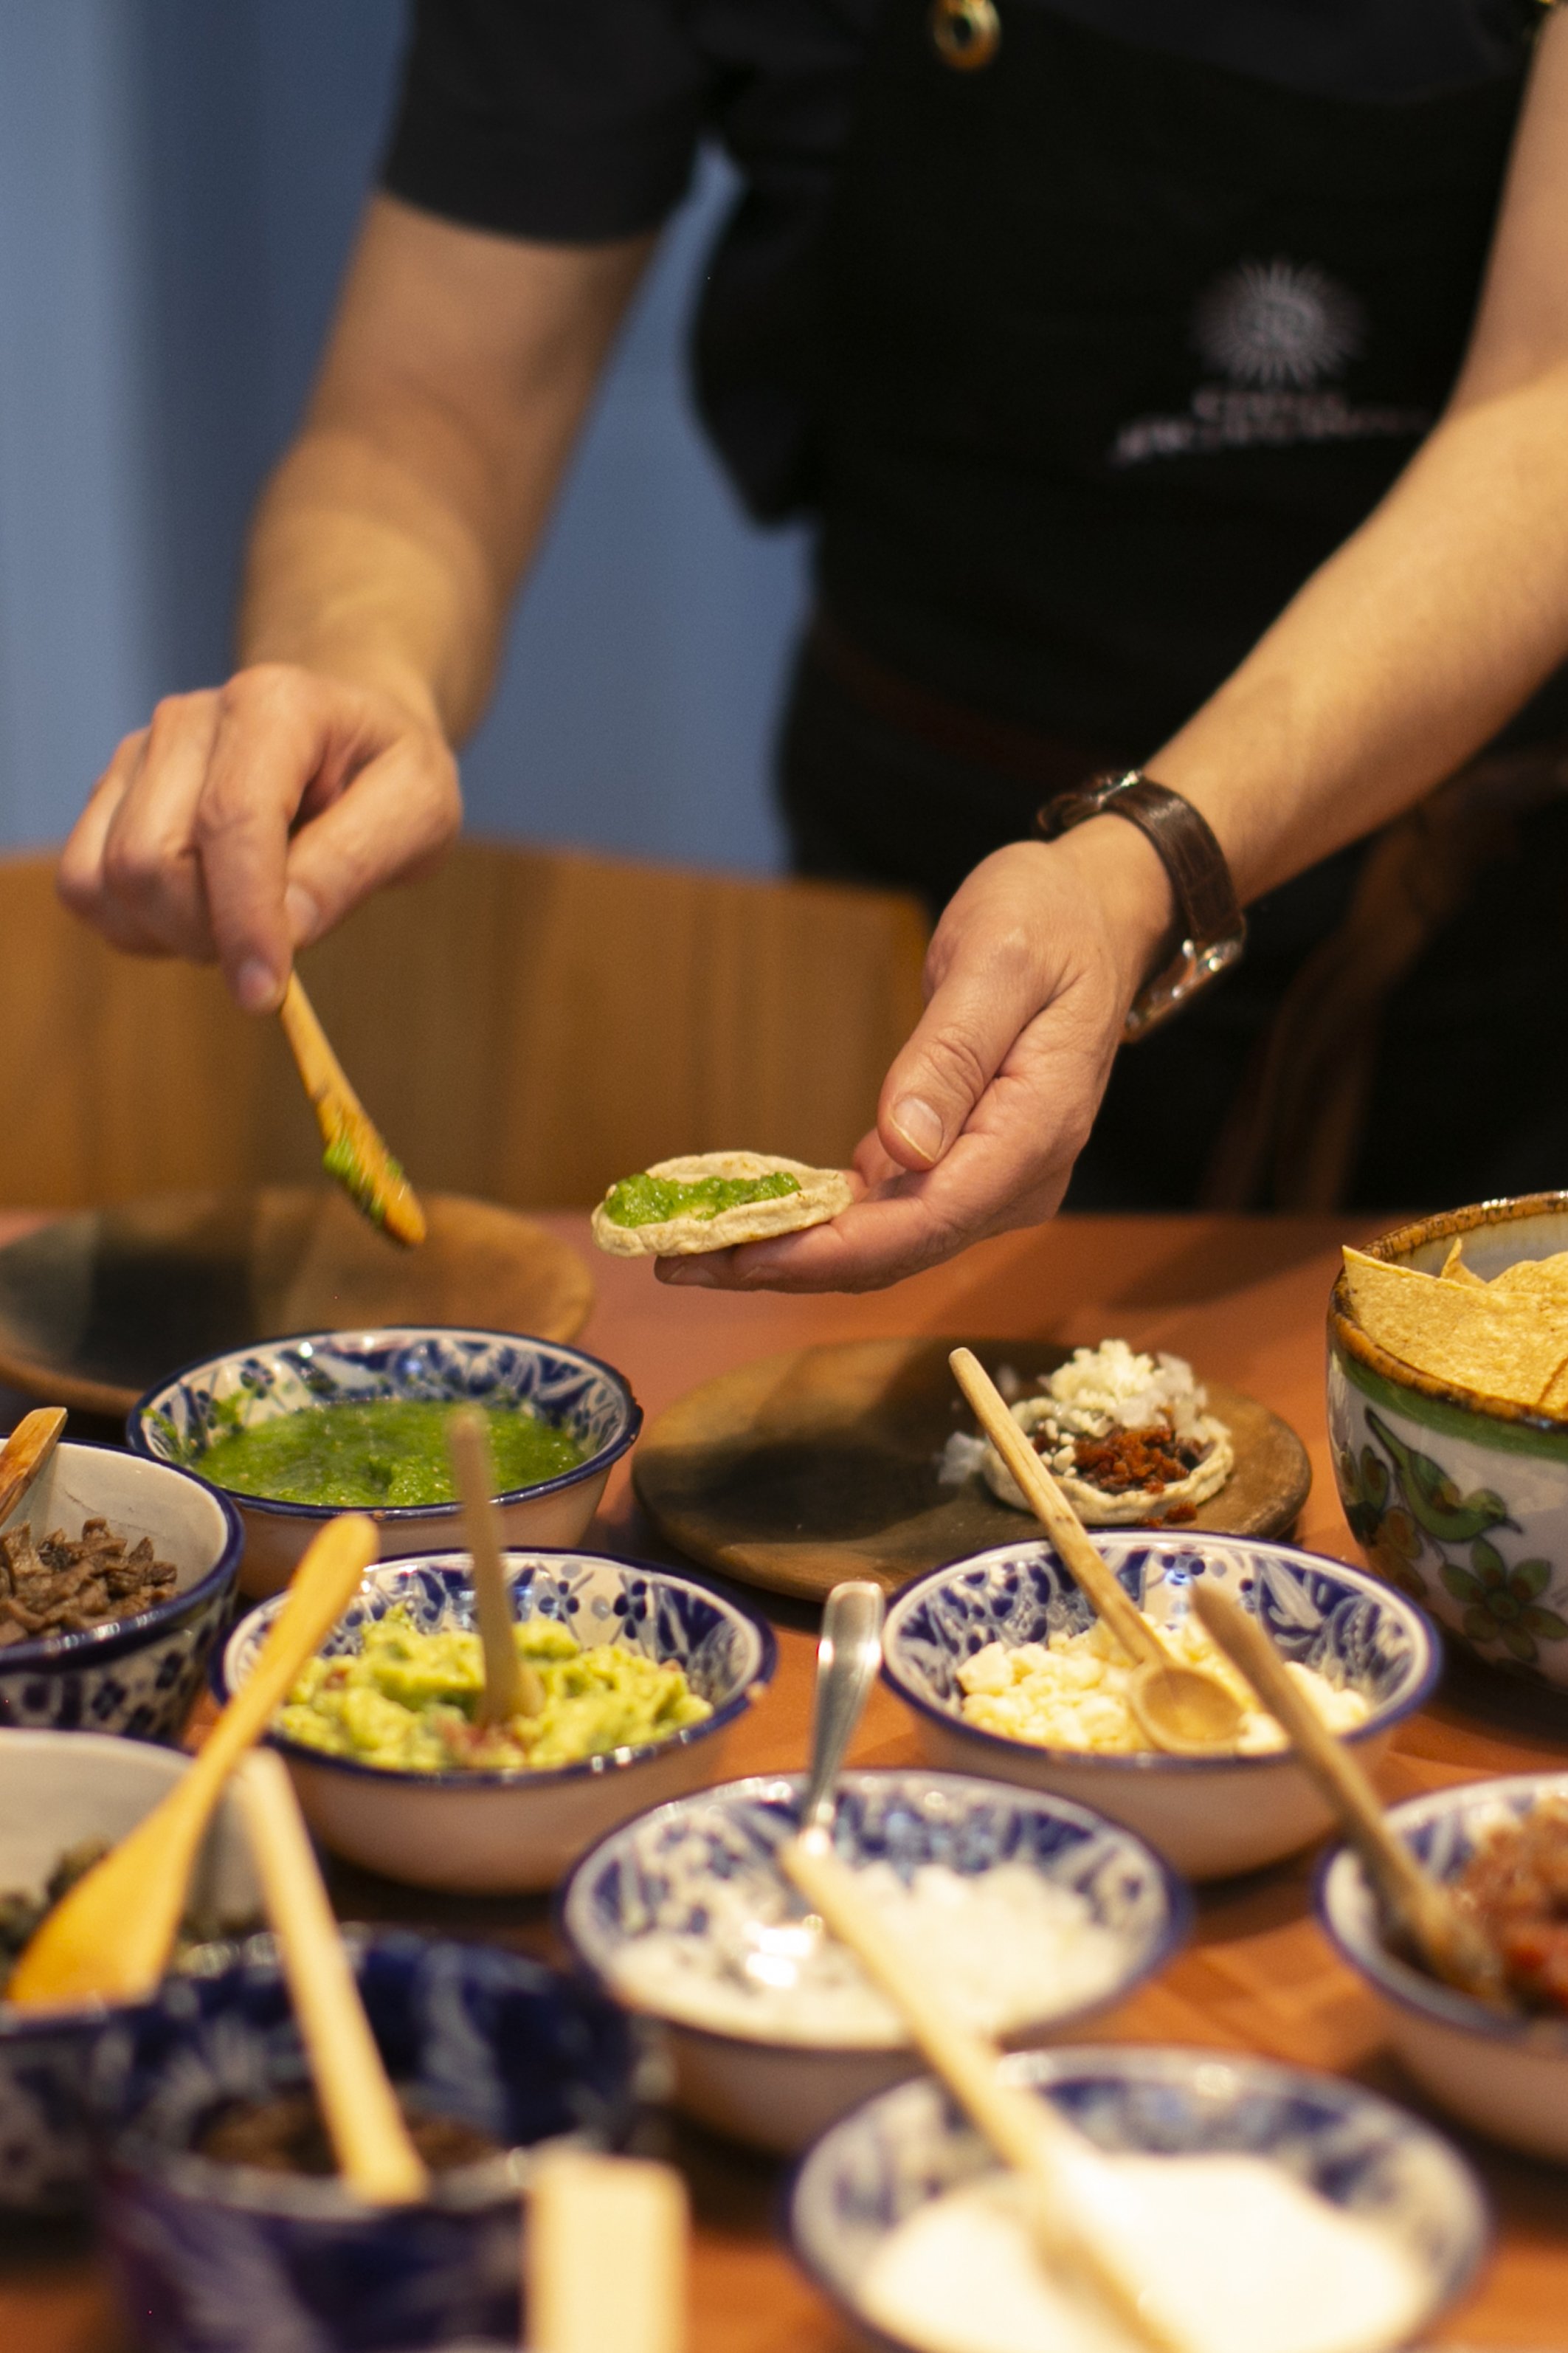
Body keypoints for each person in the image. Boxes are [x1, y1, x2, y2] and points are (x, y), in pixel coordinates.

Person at [58, 1, 1568, 1293]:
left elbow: (1542, 412)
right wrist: (348, 661)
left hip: (1464, 908)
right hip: (935, 859)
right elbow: (422, 424)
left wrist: (1143, 863)